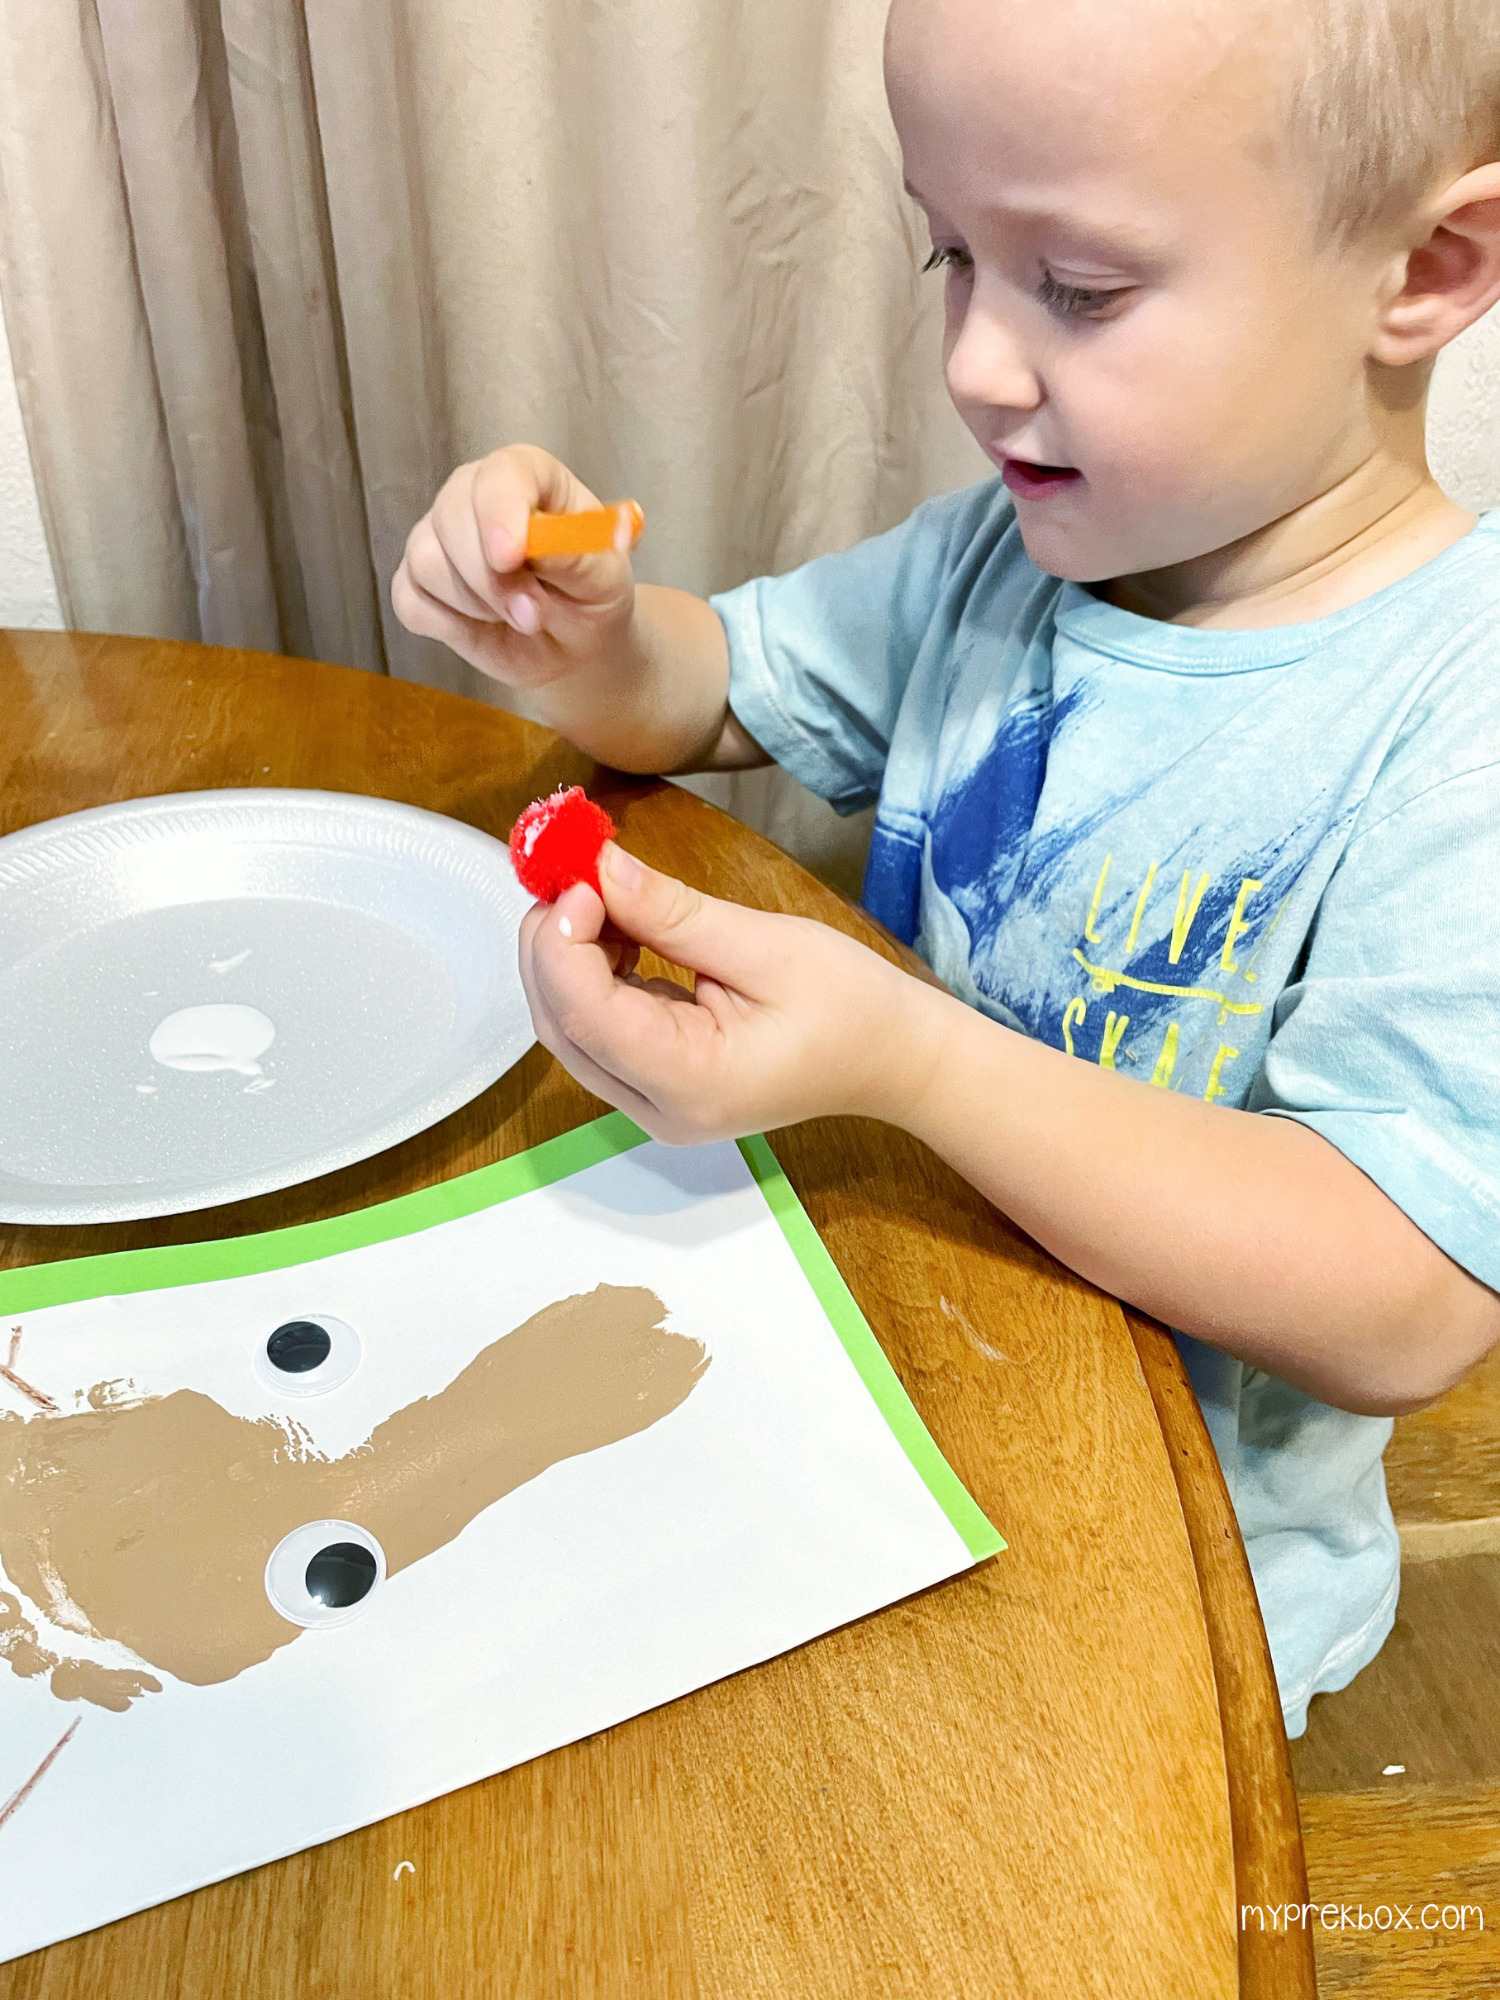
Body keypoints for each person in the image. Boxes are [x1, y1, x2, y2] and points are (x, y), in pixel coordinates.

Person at [391, 0, 1500, 1736]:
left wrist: (907, 1062)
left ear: (1426, 269)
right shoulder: (1007, 556)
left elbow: (1404, 1305)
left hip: (1173, 1599)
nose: (979, 363)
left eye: (1079, 288)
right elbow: (704, 693)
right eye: (951, 254)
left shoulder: (1459, 718)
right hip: (876, 1416)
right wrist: (574, 637)